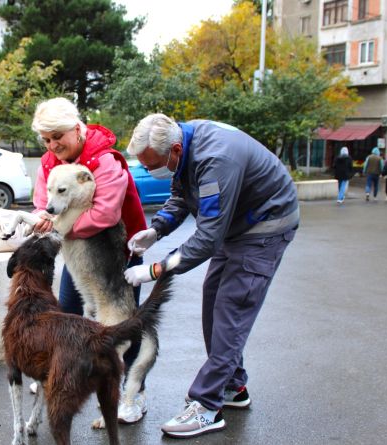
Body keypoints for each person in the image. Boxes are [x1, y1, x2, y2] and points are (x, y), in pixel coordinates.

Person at [123, 114, 298, 439]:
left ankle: (207, 406)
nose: (148, 172)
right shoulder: (184, 144)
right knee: (213, 305)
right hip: (237, 227)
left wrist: (155, 270)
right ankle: (233, 387)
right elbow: (182, 196)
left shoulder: (216, 159)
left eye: (153, 165)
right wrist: (156, 229)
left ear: (174, 150)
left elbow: (207, 237)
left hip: (264, 228)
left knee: (231, 312)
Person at [28, 97, 150, 422]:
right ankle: (67, 376)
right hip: (81, 256)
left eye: (58, 137)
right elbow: (43, 201)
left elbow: (104, 214)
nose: (53, 145)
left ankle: (131, 396)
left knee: (122, 326)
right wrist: (45, 216)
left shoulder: (104, 160)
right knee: (69, 313)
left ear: (77, 127)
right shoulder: (48, 163)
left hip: (120, 251)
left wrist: (57, 226)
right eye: (46, 139)